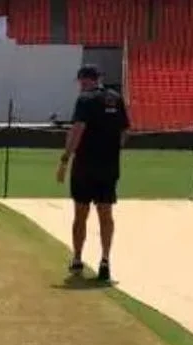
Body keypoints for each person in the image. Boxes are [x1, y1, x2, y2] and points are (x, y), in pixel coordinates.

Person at [56, 64, 130, 283]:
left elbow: (77, 129)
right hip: (109, 166)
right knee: (105, 214)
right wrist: (112, 150)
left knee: (81, 213)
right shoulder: (115, 98)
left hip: (85, 165)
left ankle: (78, 258)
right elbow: (125, 130)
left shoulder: (85, 99)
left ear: (84, 80)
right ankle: (105, 260)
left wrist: (65, 159)